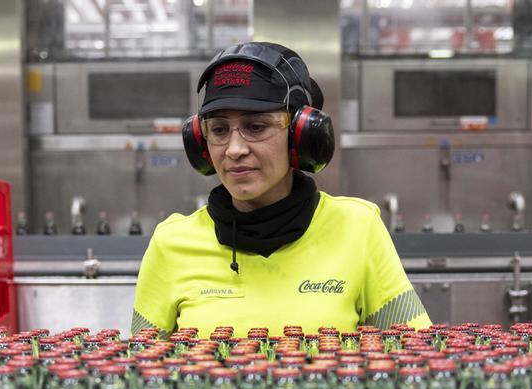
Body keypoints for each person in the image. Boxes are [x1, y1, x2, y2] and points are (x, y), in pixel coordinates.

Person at [130, 41, 430, 338]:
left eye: (256, 127)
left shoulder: (357, 229)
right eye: (219, 130)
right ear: (200, 141)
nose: (234, 149)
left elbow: (416, 354)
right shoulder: (171, 243)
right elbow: (142, 372)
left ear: (301, 135)